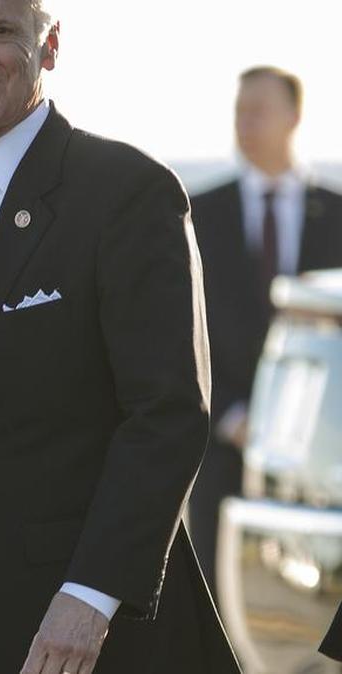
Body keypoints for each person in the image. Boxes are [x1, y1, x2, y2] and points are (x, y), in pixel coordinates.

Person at [0, 0, 240, 671]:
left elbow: (167, 415)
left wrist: (90, 598)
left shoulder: (128, 193)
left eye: (0, 31)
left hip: (81, 636)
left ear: (50, 45)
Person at [188, 66, 342, 595]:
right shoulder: (196, 214)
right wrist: (230, 416)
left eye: (259, 110)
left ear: (294, 116)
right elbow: (182, 334)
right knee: (222, 622)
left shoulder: (339, 212)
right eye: (239, 111)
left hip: (322, 469)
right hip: (223, 459)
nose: (245, 122)